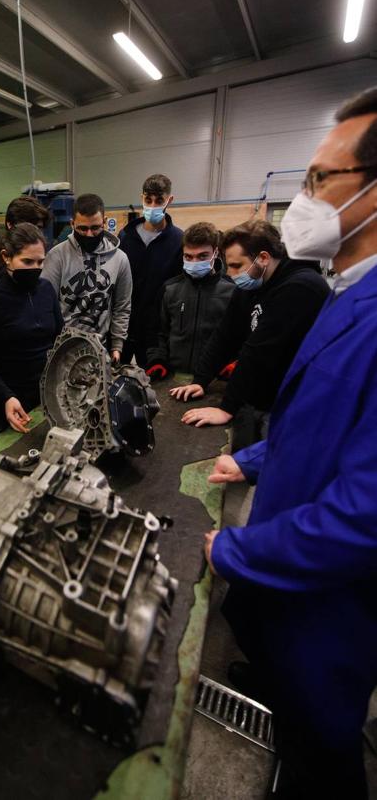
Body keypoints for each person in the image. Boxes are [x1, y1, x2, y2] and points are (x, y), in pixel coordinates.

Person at [204, 87, 377, 799]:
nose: (300, 201)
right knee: (287, 716)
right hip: (293, 598)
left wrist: (235, 549)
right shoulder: (348, 292)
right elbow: (317, 424)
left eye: (318, 179)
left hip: (329, 616)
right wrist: (246, 458)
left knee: (319, 763)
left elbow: (364, 515)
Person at [171, 220, 329, 447]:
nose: (232, 274)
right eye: (229, 266)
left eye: (237, 265)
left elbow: (259, 352)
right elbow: (226, 334)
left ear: (263, 258)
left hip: (300, 401)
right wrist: (201, 379)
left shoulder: (301, 287)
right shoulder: (252, 284)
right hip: (267, 394)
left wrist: (227, 408)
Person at [0, 223, 63, 436]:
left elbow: (59, 338)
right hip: (4, 401)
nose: (35, 268)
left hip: (44, 395)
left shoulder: (46, 289)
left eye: (40, 262)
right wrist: (5, 396)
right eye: (27, 261)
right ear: (6, 257)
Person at [41, 193, 131, 362]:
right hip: (62, 350)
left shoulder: (120, 259)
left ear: (104, 222)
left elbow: (122, 307)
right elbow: (45, 306)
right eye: (82, 228)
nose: (89, 234)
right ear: (72, 224)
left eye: (95, 228)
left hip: (100, 350)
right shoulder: (56, 256)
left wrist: (117, 346)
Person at [145, 222, 235, 380]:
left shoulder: (233, 291)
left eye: (202, 256)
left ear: (215, 252)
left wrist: (235, 363)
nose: (194, 262)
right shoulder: (169, 289)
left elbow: (241, 335)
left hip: (214, 381)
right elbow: (158, 332)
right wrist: (157, 360)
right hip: (175, 378)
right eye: (188, 256)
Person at [119, 173, 183, 366]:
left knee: (153, 385)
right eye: (149, 200)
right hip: (124, 327)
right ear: (142, 199)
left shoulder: (178, 241)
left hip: (156, 332)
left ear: (169, 200)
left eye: (159, 201)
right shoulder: (125, 237)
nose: (153, 205)